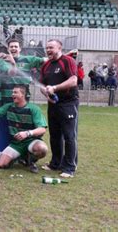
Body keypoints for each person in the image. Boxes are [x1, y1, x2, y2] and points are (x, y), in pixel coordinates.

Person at [0, 85, 48, 173]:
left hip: (31, 140)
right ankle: (21, 157)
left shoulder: (34, 109)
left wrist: (27, 133)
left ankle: (31, 160)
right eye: (12, 92)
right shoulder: (9, 106)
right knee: (1, 164)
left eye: (15, 92)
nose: (12, 94)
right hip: (16, 144)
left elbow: (42, 129)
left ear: (23, 95)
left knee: (42, 149)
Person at [40, 39, 79, 178]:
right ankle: (55, 163)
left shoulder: (68, 61)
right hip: (53, 104)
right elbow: (42, 86)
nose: (48, 50)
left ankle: (69, 167)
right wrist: (47, 94)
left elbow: (73, 81)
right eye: (47, 47)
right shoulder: (46, 65)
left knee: (69, 136)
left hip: (68, 103)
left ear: (59, 48)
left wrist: (55, 88)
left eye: (51, 47)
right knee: (55, 135)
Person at [0, 39, 45, 104]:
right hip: (7, 97)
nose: (13, 48)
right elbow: (11, 73)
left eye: (16, 46)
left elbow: (45, 60)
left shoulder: (28, 59)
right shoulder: (3, 61)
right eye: (11, 47)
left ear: (20, 49)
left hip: (23, 97)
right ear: (8, 49)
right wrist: (13, 64)